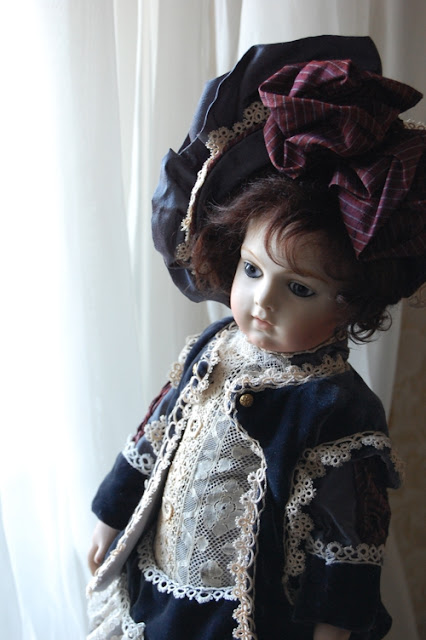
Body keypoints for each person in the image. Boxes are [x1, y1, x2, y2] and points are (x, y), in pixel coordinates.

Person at [86, 36, 426, 640]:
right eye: (251, 269)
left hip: (250, 617)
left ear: (350, 304)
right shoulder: (213, 346)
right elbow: (154, 434)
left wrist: (332, 626)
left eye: (299, 288)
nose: (262, 301)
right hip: (162, 586)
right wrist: (110, 516)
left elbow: (349, 537)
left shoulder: (340, 408)